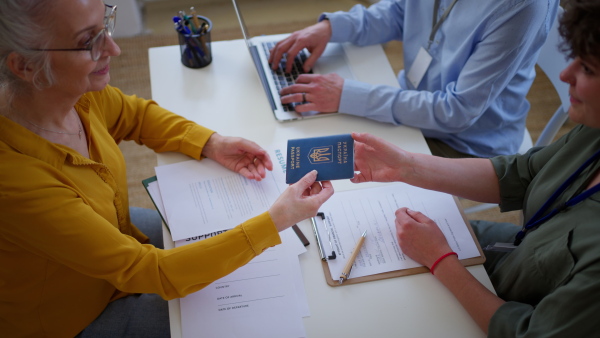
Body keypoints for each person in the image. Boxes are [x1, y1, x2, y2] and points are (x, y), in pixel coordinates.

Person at [0, 1, 334, 337]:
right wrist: (276, 221)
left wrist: (210, 143)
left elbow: (136, 116)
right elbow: (150, 271)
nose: (114, 49)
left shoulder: (73, 95)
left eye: (105, 26)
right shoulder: (15, 182)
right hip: (74, 317)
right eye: (89, 41)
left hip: (116, 234)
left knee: (247, 251)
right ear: (25, 65)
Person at [349, 0, 600, 335]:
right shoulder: (592, 130)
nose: (564, 74)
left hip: (510, 301)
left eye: (588, 70)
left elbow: (529, 331)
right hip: (518, 251)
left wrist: (441, 261)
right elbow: (521, 174)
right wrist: (406, 166)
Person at [269, 0, 560, 158]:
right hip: (409, 98)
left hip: (464, 141)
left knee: (329, 164)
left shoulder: (524, 6)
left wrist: (346, 95)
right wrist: (333, 28)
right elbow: (399, 12)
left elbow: (456, 112)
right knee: (300, 137)